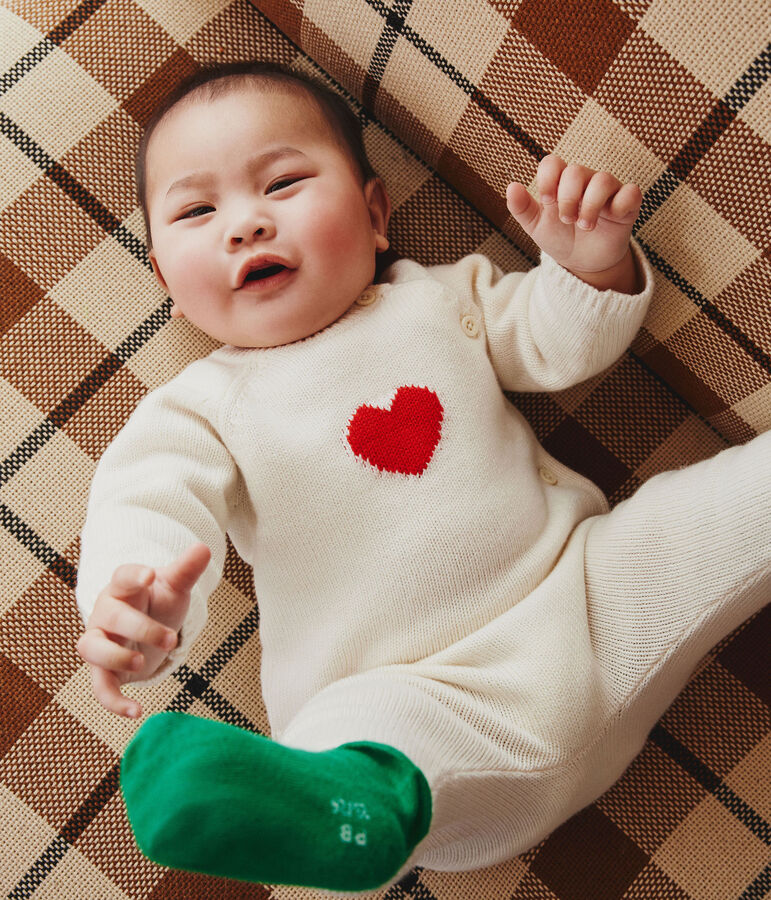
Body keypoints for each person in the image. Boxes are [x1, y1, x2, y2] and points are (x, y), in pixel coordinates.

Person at [75, 61, 770, 893]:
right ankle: (339, 804)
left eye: (284, 183)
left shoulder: (442, 299)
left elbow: (555, 345)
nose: (247, 223)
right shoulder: (199, 408)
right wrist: (141, 601)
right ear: (166, 281)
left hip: (590, 600)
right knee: (354, 730)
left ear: (375, 215)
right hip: (413, 702)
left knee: (716, 509)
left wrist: (587, 268)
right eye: (197, 211)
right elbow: (146, 500)